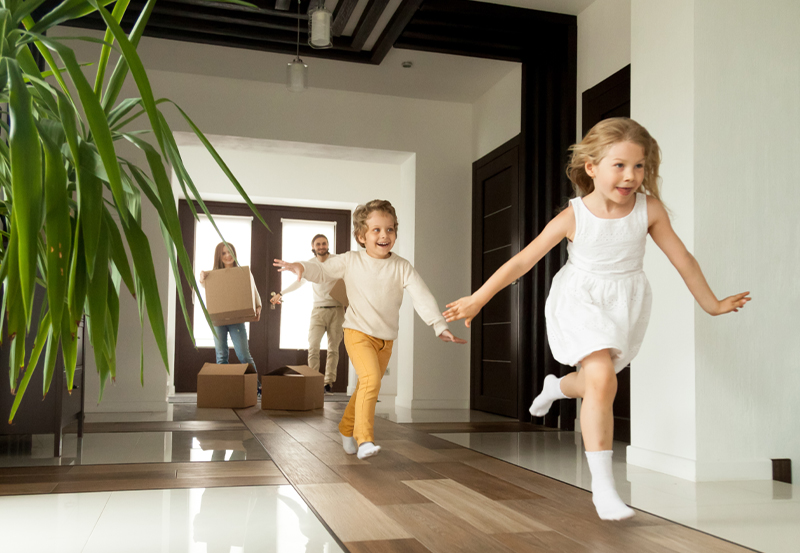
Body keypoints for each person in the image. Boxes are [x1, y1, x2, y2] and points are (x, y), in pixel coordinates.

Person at [443, 118, 750, 521]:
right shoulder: (574, 216)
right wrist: (479, 299)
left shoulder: (649, 209)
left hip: (624, 301)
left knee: (595, 382)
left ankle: (556, 387)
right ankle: (604, 490)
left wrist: (711, 303)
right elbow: (522, 260)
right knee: (604, 379)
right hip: (580, 299)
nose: (630, 176)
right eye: (619, 165)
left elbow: (682, 259)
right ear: (591, 167)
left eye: (639, 166)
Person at [274, 200, 467, 460]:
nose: (384, 235)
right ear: (361, 236)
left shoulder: (402, 267)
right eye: (376, 230)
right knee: (371, 381)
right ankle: (364, 439)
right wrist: (301, 267)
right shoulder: (350, 261)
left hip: (385, 339)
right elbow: (321, 270)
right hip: (357, 332)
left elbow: (422, 296)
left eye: (389, 229)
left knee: (367, 385)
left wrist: (438, 325)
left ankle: (345, 427)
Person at [270, 234, 344, 393]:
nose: (322, 246)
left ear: (328, 245)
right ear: (313, 247)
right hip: (318, 311)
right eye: (318, 244)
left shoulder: (337, 261)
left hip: (337, 310)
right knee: (313, 347)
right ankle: (313, 380)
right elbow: (299, 281)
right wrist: (281, 293)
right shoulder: (310, 265)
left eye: (324, 243)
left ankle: (328, 383)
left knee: (333, 349)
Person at [200, 243, 262, 384]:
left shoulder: (242, 272)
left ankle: (256, 387)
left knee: (243, 355)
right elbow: (205, 287)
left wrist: (258, 306)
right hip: (218, 321)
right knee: (221, 357)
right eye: (224, 253)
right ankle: (226, 388)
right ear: (219, 256)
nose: (228, 256)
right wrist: (202, 278)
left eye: (230, 252)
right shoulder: (213, 275)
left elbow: (253, 290)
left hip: (236, 319)